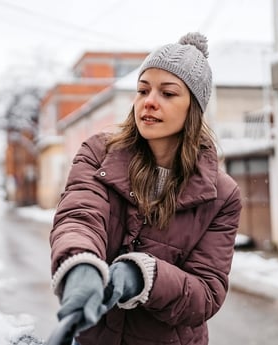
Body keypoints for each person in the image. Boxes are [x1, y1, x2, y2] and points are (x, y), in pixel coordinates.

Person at [49, 32, 242, 345]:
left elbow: (206, 294)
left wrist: (143, 277)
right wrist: (80, 264)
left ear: (193, 107)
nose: (149, 101)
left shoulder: (222, 194)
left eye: (167, 93)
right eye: (143, 90)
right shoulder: (99, 154)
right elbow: (80, 215)